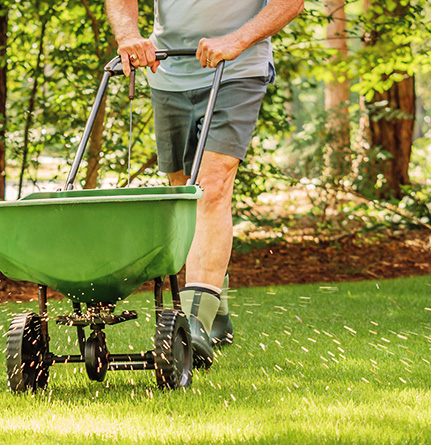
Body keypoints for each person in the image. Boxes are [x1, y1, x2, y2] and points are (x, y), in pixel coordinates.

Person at [107, 0, 303, 367]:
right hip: (167, 70)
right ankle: (218, 311)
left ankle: (194, 322)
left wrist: (237, 40)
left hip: (237, 68)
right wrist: (129, 35)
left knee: (211, 186)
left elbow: (290, 3)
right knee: (182, 193)